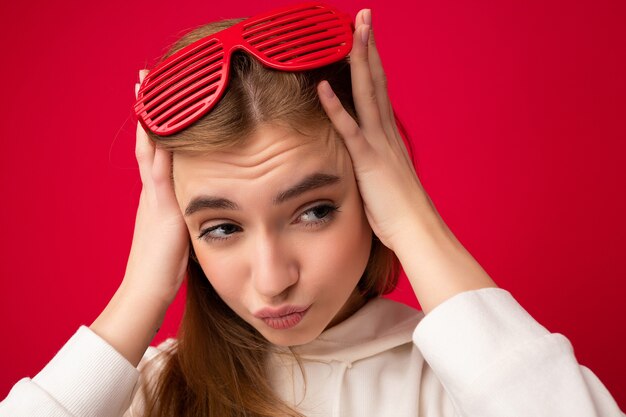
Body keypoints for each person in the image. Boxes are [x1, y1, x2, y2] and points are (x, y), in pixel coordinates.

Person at [1, 2, 624, 416]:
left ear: (374, 197)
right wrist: (139, 295)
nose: (273, 280)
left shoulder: (461, 385)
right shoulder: (147, 390)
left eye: (314, 211)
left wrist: (415, 222)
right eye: (220, 228)